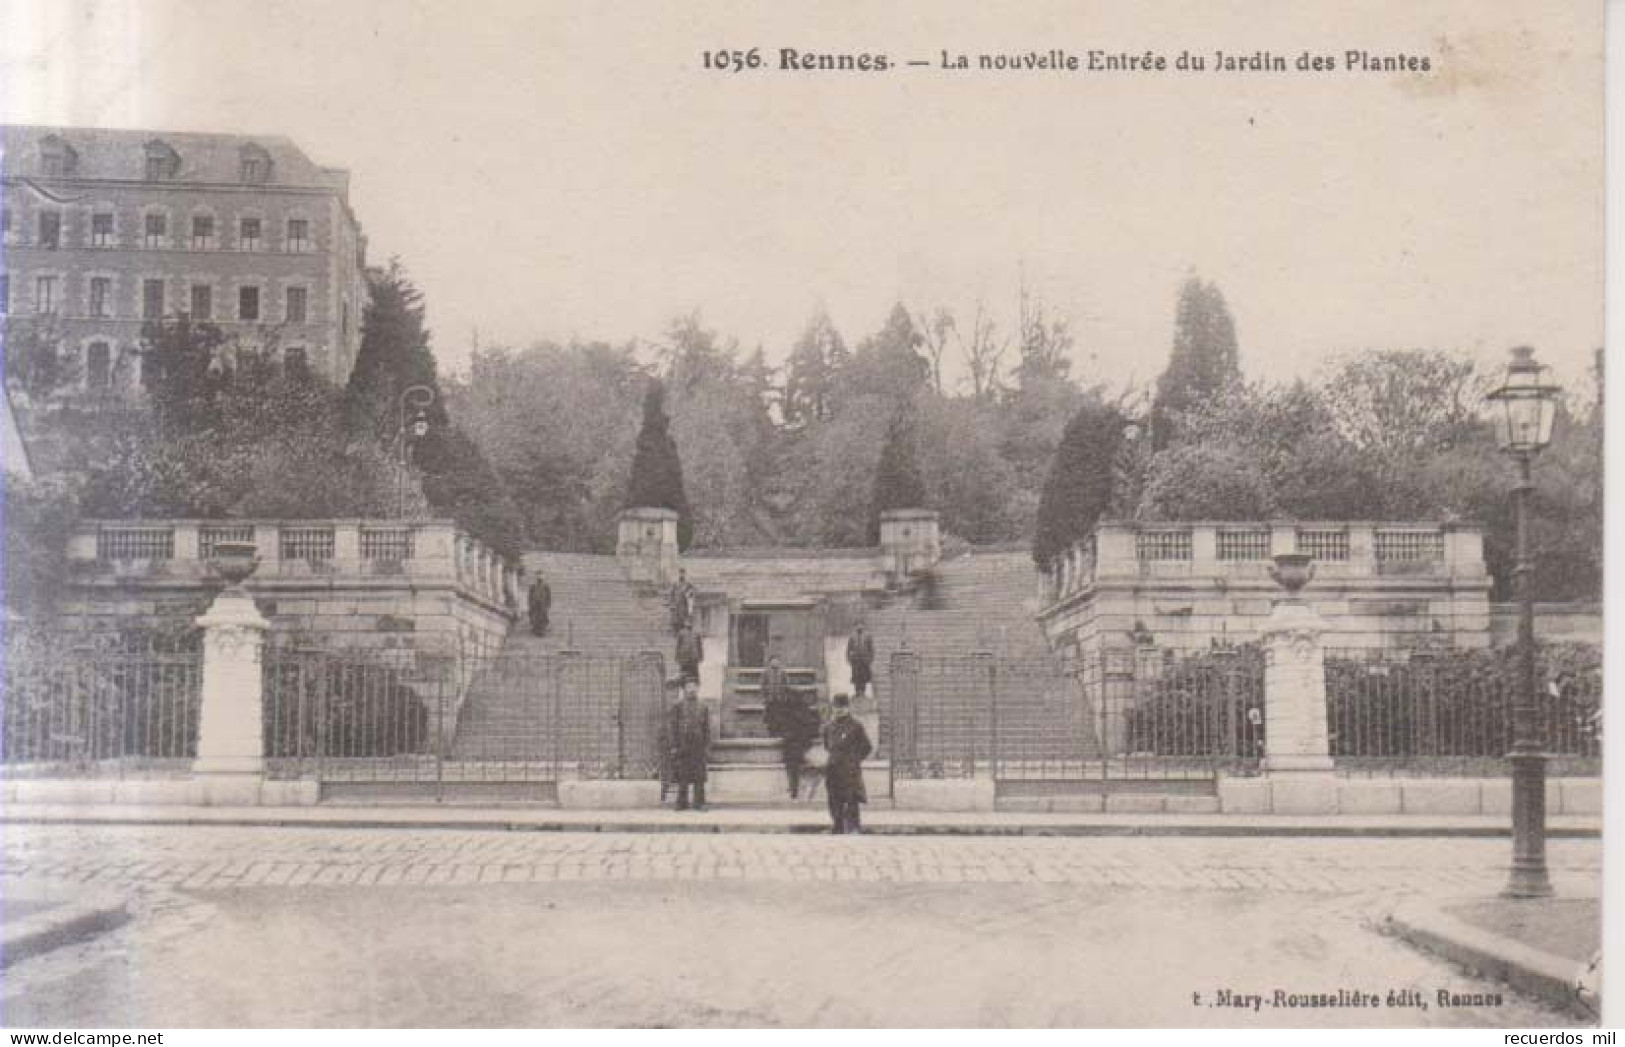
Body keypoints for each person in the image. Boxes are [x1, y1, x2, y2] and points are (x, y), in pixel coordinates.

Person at [762, 655, 819, 799]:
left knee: (792, 766)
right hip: (797, 744)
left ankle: (794, 789)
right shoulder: (799, 710)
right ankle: (796, 788)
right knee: (796, 765)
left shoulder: (788, 710)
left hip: (792, 744)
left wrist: (787, 735)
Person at [822, 692, 872, 834]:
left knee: (851, 799)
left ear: (848, 708)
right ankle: (837, 825)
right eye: (836, 707)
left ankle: (853, 827)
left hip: (849, 770)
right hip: (833, 768)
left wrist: (854, 759)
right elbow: (827, 746)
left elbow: (867, 747)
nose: (839, 710)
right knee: (834, 799)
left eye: (842, 707)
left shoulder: (856, 726)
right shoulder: (829, 727)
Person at [666, 678, 710, 811]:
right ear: (684, 689)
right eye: (688, 686)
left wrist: (707, 747)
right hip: (683, 744)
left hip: (698, 745)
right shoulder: (678, 706)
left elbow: (706, 728)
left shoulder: (703, 706)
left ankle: (699, 803)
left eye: (694, 686)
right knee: (683, 774)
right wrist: (674, 746)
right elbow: (673, 726)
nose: (691, 689)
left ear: (697, 688)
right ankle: (682, 802)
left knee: (699, 776)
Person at [846, 624, 875, 700]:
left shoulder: (868, 636)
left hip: (864, 660)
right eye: (857, 625)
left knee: (864, 676)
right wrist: (849, 659)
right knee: (856, 676)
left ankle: (863, 692)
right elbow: (848, 649)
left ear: (863, 626)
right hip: (855, 660)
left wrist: (870, 659)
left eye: (861, 625)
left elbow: (871, 649)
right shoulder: (852, 637)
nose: (859, 627)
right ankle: (857, 692)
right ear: (855, 627)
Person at [669, 569, 696, 634]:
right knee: (676, 620)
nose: (682, 575)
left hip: (684, 604)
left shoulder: (688, 584)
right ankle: (677, 633)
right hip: (676, 604)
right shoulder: (675, 583)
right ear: (679, 574)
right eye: (681, 573)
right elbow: (672, 594)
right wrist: (672, 603)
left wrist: (689, 594)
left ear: (685, 574)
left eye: (683, 573)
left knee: (684, 619)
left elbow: (693, 591)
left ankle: (683, 633)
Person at [527, 571, 552, 637]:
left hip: (543, 605)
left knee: (543, 617)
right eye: (538, 575)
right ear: (536, 577)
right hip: (535, 605)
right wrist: (530, 604)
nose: (540, 577)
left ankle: (542, 630)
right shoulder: (533, 586)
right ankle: (536, 629)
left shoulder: (546, 586)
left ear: (543, 577)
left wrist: (548, 604)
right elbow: (530, 596)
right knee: (535, 617)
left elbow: (549, 596)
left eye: (541, 575)